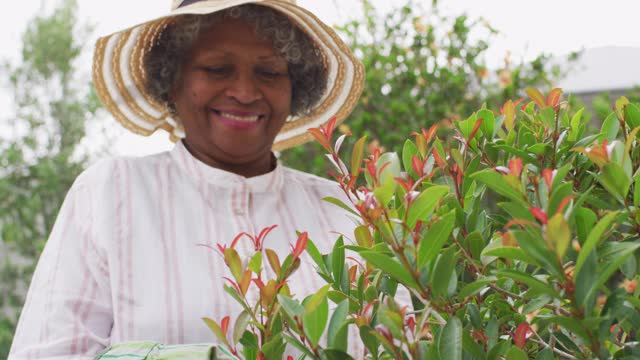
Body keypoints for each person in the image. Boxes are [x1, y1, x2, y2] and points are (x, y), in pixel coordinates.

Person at [9, 0, 364, 358]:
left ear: (296, 89)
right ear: (171, 82)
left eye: (269, 73)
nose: (244, 92)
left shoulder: (346, 212)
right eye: (217, 68)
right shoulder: (111, 195)